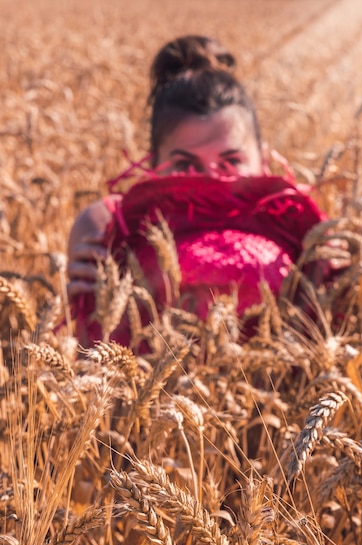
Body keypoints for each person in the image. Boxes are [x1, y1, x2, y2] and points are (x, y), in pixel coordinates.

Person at [67, 35, 328, 348]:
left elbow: (323, 341)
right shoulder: (107, 225)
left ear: (263, 159)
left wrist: (334, 279)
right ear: (154, 162)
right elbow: (91, 360)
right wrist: (86, 303)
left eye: (230, 161)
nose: (209, 179)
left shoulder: (305, 228)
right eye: (185, 164)